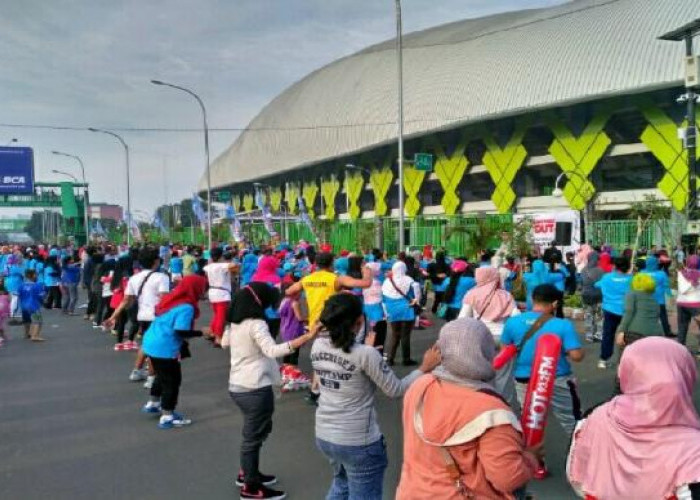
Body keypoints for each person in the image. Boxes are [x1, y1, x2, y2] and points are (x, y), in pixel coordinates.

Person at [313, 293, 441, 500]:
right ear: (358, 321)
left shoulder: (318, 346)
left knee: (341, 485)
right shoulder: (365, 354)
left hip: (326, 435)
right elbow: (395, 389)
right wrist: (424, 368)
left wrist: (368, 350)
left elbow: (346, 363)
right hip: (358, 442)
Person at [397, 318, 538, 499]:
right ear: (485, 353)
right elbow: (507, 479)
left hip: (412, 492)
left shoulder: (421, 386)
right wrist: (531, 458)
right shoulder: (492, 411)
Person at [567, 337, 700, 499]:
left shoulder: (594, 419)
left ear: (625, 372)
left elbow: (577, 477)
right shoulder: (693, 449)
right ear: (687, 374)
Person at [228, 282, 318, 500]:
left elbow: (223, 342)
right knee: (253, 436)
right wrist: (306, 337)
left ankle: (249, 473)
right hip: (255, 387)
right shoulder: (256, 323)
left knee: (257, 432)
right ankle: (250, 487)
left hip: (239, 385)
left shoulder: (235, 323)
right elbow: (271, 350)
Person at [500, 284, 585, 479]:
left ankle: (535, 465)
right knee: (571, 420)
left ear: (533, 299)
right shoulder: (562, 325)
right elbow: (577, 355)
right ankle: (582, 462)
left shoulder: (513, 323)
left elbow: (506, 350)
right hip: (557, 377)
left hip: (524, 377)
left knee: (532, 420)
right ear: (555, 303)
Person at [140, 275, 207, 429]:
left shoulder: (172, 299)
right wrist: (202, 332)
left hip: (152, 341)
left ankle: (153, 402)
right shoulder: (187, 307)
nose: (204, 290)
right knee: (172, 381)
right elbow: (181, 331)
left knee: (160, 375)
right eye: (203, 287)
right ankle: (167, 415)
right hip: (165, 346)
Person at [105, 248, 170, 384]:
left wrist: (113, 317)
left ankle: (137, 371)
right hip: (157, 316)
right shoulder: (162, 277)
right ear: (156, 261)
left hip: (143, 316)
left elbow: (126, 300)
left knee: (146, 344)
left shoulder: (134, 278)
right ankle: (152, 378)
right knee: (155, 347)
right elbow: (165, 299)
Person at [382, 261, 422, 366]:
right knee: (405, 335)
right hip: (406, 310)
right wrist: (416, 299)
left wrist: (386, 312)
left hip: (392, 311)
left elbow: (384, 298)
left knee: (395, 334)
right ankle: (406, 359)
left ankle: (390, 359)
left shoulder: (387, 281)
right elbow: (417, 286)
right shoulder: (408, 280)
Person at [595, 257, 632, 369]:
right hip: (626, 311)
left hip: (610, 310)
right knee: (627, 336)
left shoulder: (606, 277)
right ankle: (625, 361)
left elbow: (596, 284)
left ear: (615, 266)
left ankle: (603, 359)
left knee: (608, 335)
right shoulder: (632, 279)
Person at [203, 247, 237, 346]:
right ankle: (218, 337)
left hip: (212, 292)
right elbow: (235, 266)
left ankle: (213, 332)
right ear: (221, 256)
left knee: (217, 315)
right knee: (221, 316)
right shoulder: (224, 265)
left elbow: (206, 271)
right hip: (222, 294)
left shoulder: (209, 266)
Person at [677, 254, 700, 353]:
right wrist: (693, 283)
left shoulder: (681, 273)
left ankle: (680, 350)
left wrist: (691, 282)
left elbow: (681, 290)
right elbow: (683, 290)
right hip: (696, 304)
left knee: (682, 327)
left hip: (682, 303)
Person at [580, 252, 604, 342]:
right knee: (599, 316)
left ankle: (589, 336)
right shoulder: (600, 271)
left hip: (586, 296)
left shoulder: (583, 270)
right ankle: (599, 334)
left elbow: (581, 283)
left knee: (588, 316)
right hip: (599, 296)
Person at [19, 270, 46, 342]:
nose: (37, 276)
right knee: (38, 321)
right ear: (33, 275)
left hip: (23, 305)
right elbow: (41, 296)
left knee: (27, 321)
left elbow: (19, 295)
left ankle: (26, 334)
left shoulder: (22, 285)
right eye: (36, 275)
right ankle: (35, 336)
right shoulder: (37, 285)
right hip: (33, 306)